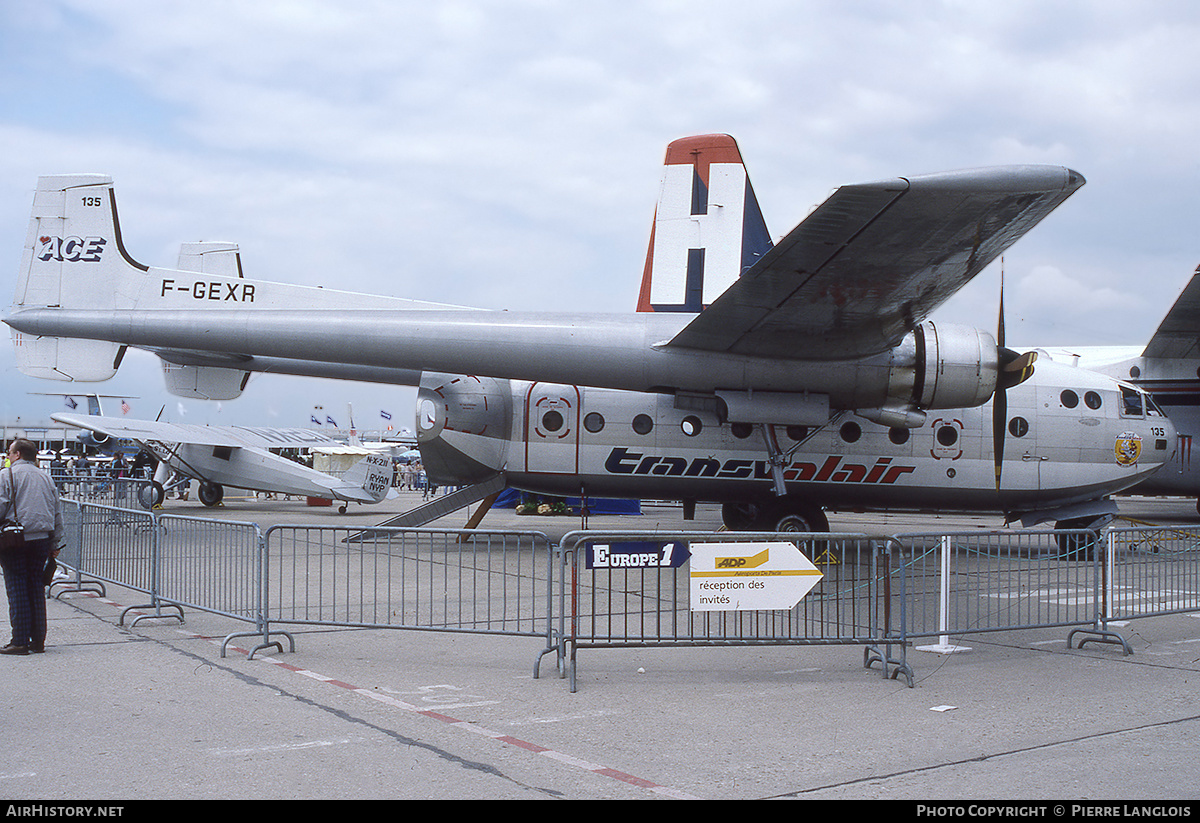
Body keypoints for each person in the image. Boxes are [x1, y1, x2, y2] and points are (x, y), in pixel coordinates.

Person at [0, 439, 63, 655]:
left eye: (9, 453)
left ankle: (19, 640)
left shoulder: (6, 475)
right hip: (41, 540)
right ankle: (38, 641)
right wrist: (54, 543)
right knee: (36, 587)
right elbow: (56, 512)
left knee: (16, 587)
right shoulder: (46, 477)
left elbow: (0, 506)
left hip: (15, 540)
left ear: (17, 454)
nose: (8, 456)